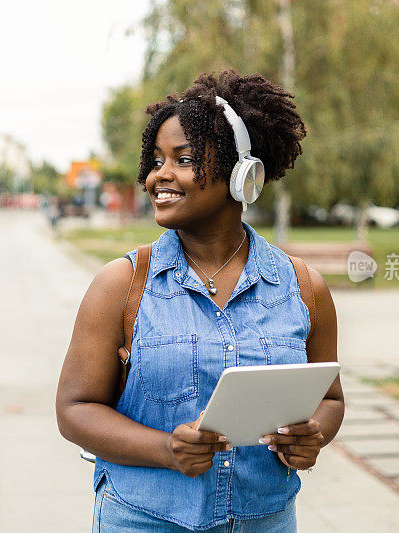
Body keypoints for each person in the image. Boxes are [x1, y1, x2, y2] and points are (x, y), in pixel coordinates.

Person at [56, 69, 344, 532]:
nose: (159, 176)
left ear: (241, 175)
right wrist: (167, 450)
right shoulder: (122, 285)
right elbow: (74, 410)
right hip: (145, 519)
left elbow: (329, 399)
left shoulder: (303, 287)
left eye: (183, 160)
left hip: (265, 520)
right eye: (155, 160)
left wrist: (312, 437)